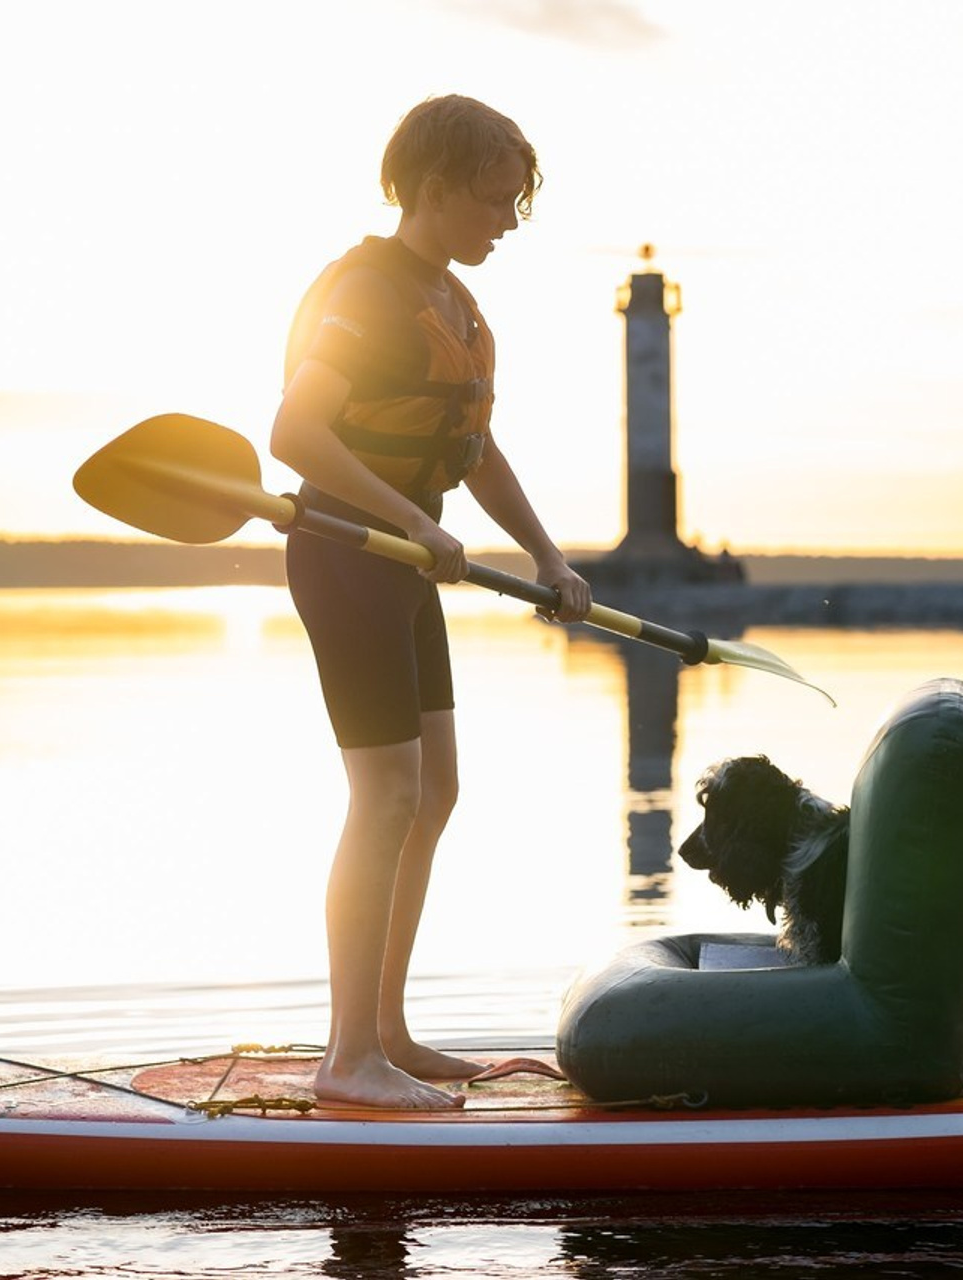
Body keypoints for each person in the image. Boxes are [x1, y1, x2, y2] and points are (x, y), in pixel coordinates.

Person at [271, 95, 592, 1110]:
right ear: (437, 186)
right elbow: (295, 433)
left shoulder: (455, 304)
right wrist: (409, 519)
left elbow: (474, 448)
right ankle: (345, 1058)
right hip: (348, 556)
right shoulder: (366, 291)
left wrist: (546, 556)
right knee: (388, 795)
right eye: (496, 199)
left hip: (405, 563)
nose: (507, 218)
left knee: (435, 789)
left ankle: (389, 1031)